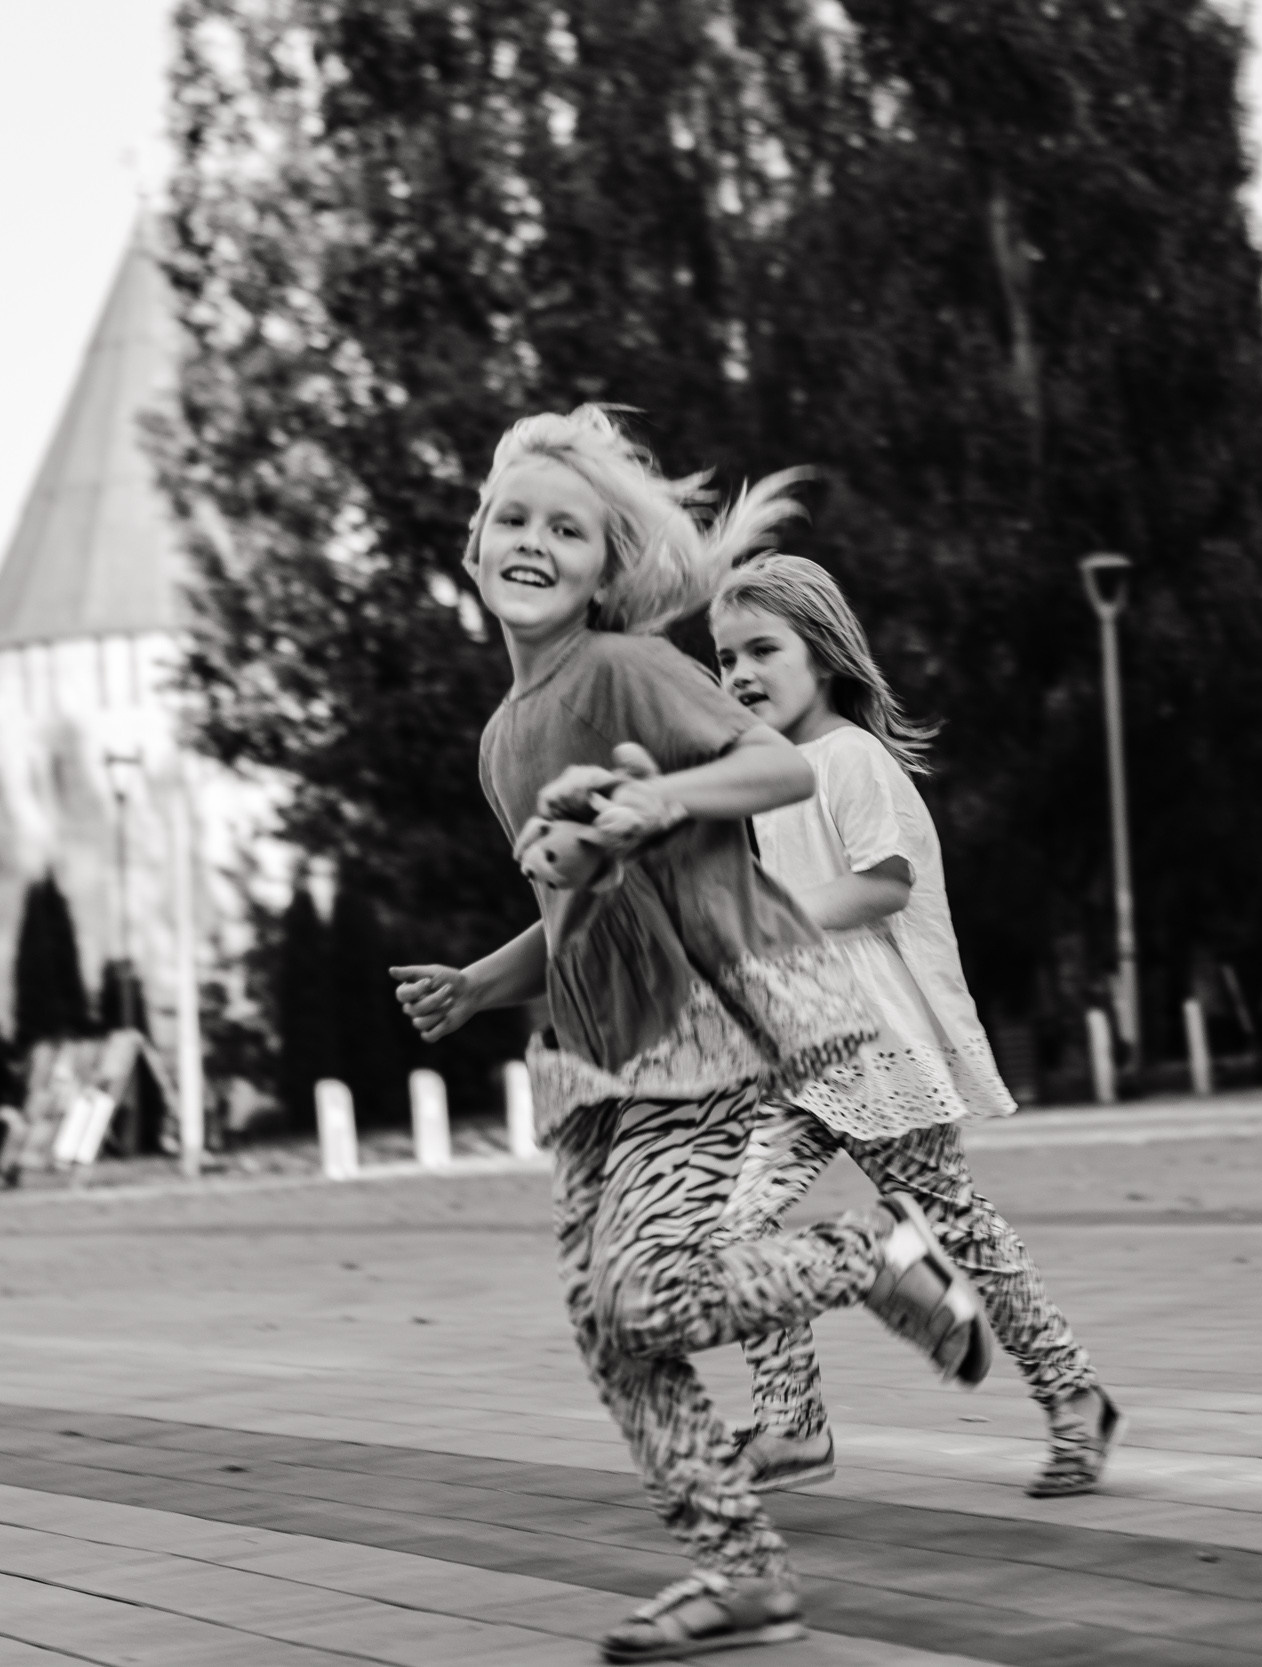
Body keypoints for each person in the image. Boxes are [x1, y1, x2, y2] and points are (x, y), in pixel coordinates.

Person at [390, 408, 992, 1663]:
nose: (536, 544)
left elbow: (778, 771)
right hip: (602, 1058)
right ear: (474, 540)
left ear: (610, 567)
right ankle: (741, 1573)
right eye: (516, 519)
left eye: (571, 529)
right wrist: (477, 984)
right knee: (611, 1327)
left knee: (650, 1287)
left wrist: (657, 797)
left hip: (710, 1025)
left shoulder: (626, 672)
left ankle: (865, 1258)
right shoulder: (504, 735)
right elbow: (571, 913)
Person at [708, 554, 1124, 1499]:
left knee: (962, 1229)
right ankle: (791, 1424)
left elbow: (882, 883)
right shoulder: (766, 773)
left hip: (876, 1046)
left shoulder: (851, 756)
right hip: (800, 1045)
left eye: (762, 649)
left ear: (822, 651)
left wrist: (768, 915)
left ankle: (1073, 1396)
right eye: (725, 655)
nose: (739, 672)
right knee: (732, 1227)